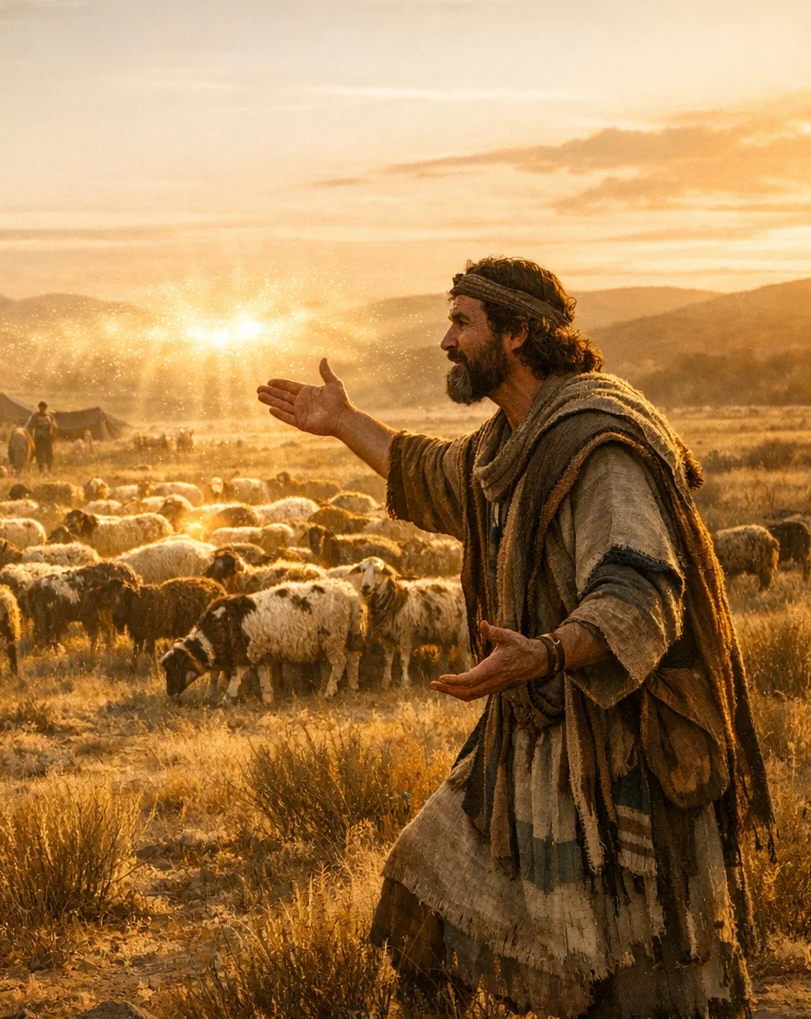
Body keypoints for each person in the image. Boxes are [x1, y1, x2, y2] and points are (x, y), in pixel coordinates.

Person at [258, 256, 773, 1019]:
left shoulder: (597, 443)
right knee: (422, 908)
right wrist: (342, 421)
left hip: (614, 747)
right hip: (528, 734)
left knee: (632, 972)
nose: (446, 341)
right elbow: (432, 475)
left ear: (519, 333)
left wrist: (547, 652)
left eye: (461, 323)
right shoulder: (511, 440)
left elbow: (640, 591)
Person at [24, 401, 56, 473]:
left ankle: (49, 469)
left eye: (44, 408)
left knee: (49, 454)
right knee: (39, 454)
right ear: (39, 408)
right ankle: (41, 470)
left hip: (47, 438)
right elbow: (30, 427)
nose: (42, 409)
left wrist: (53, 435)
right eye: (41, 407)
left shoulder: (50, 416)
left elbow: (54, 426)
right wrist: (31, 437)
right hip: (39, 438)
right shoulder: (35, 416)